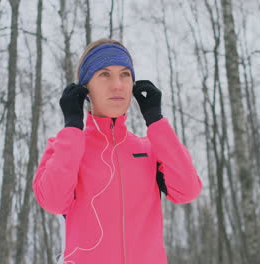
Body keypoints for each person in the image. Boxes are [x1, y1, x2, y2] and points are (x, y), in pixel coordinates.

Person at [32, 38, 202, 264]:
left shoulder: (149, 149)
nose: (118, 85)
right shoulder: (66, 146)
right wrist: (73, 127)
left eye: (125, 75)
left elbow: (187, 190)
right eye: (104, 75)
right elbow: (52, 200)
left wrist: (156, 121)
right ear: (85, 88)